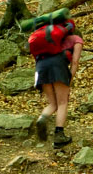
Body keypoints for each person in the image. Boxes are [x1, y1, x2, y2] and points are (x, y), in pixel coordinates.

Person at [34, 20, 83, 149]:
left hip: (41, 67)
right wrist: (69, 79)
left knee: (53, 103)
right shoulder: (76, 39)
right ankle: (59, 136)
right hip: (58, 67)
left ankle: (41, 119)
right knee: (62, 102)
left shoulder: (50, 40)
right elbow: (75, 62)